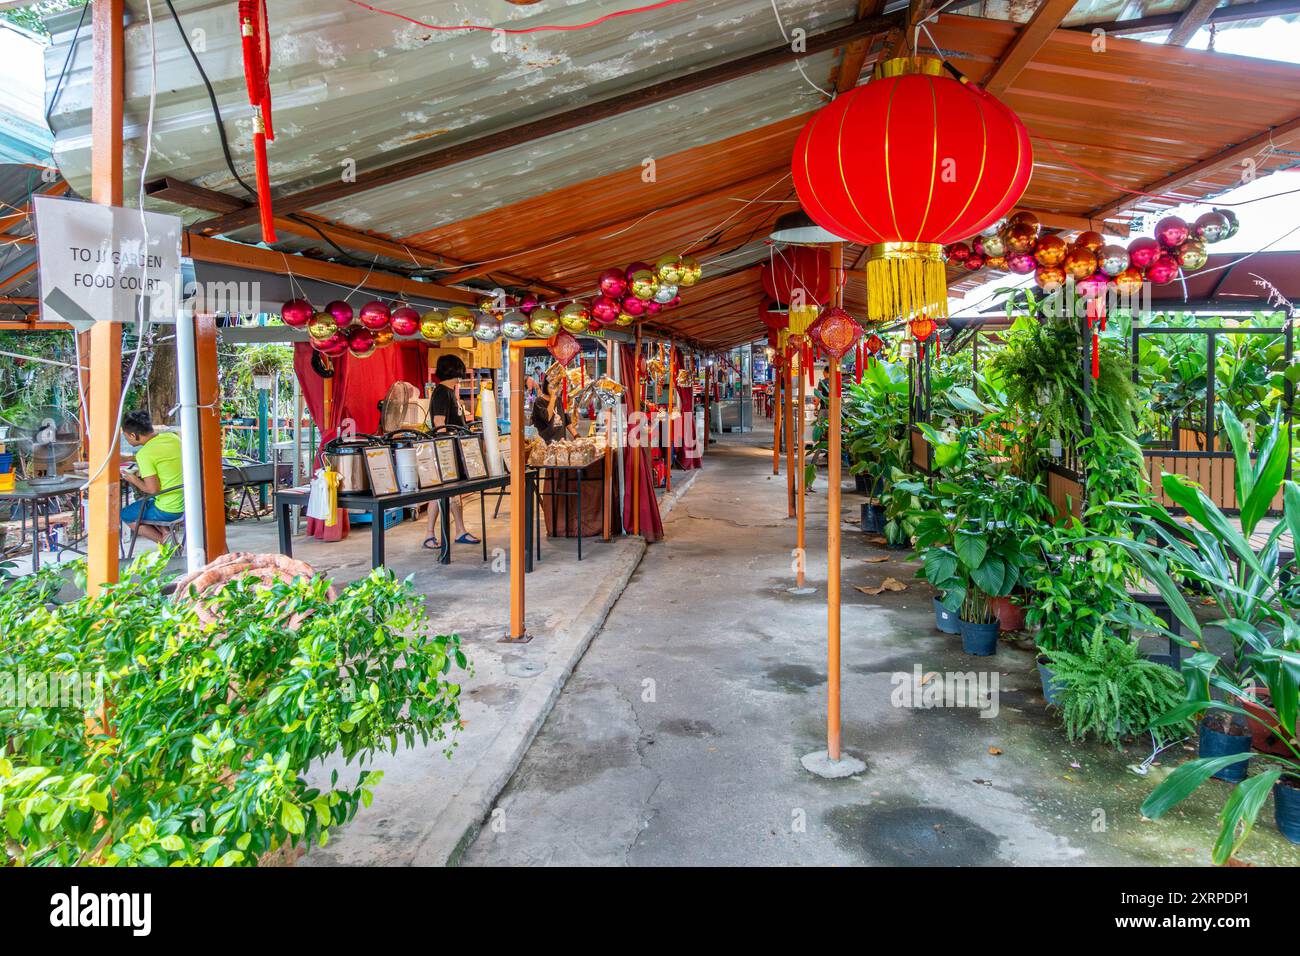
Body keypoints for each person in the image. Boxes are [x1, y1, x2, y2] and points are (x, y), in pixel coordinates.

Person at [424, 354, 480, 550]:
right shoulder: (441, 393)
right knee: (438, 494)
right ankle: (430, 534)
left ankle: (460, 530)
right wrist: (446, 450)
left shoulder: (449, 392)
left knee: (454, 493)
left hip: (453, 450)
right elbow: (439, 424)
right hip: (445, 451)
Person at [119, 410, 184, 543]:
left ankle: (165, 542)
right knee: (145, 503)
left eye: (126, 437)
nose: (126, 440)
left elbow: (153, 490)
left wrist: (133, 479)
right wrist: (130, 458)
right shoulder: (173, 437)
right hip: (186, 501)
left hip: (169, 509)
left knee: (126, 514)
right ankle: (167, 533)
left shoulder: (145, 454)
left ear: (133, 435)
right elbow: (159, 455)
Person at [530, 365, 576, 443]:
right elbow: (547, 417)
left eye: (557, 384)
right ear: (546, 385)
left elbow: (567, 421)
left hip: (561, 444)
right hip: (546, 445)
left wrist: (576, 436)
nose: (555, 387)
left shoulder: (559, 400)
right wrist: (553, 398)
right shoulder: (539, 402)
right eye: (553, 384)